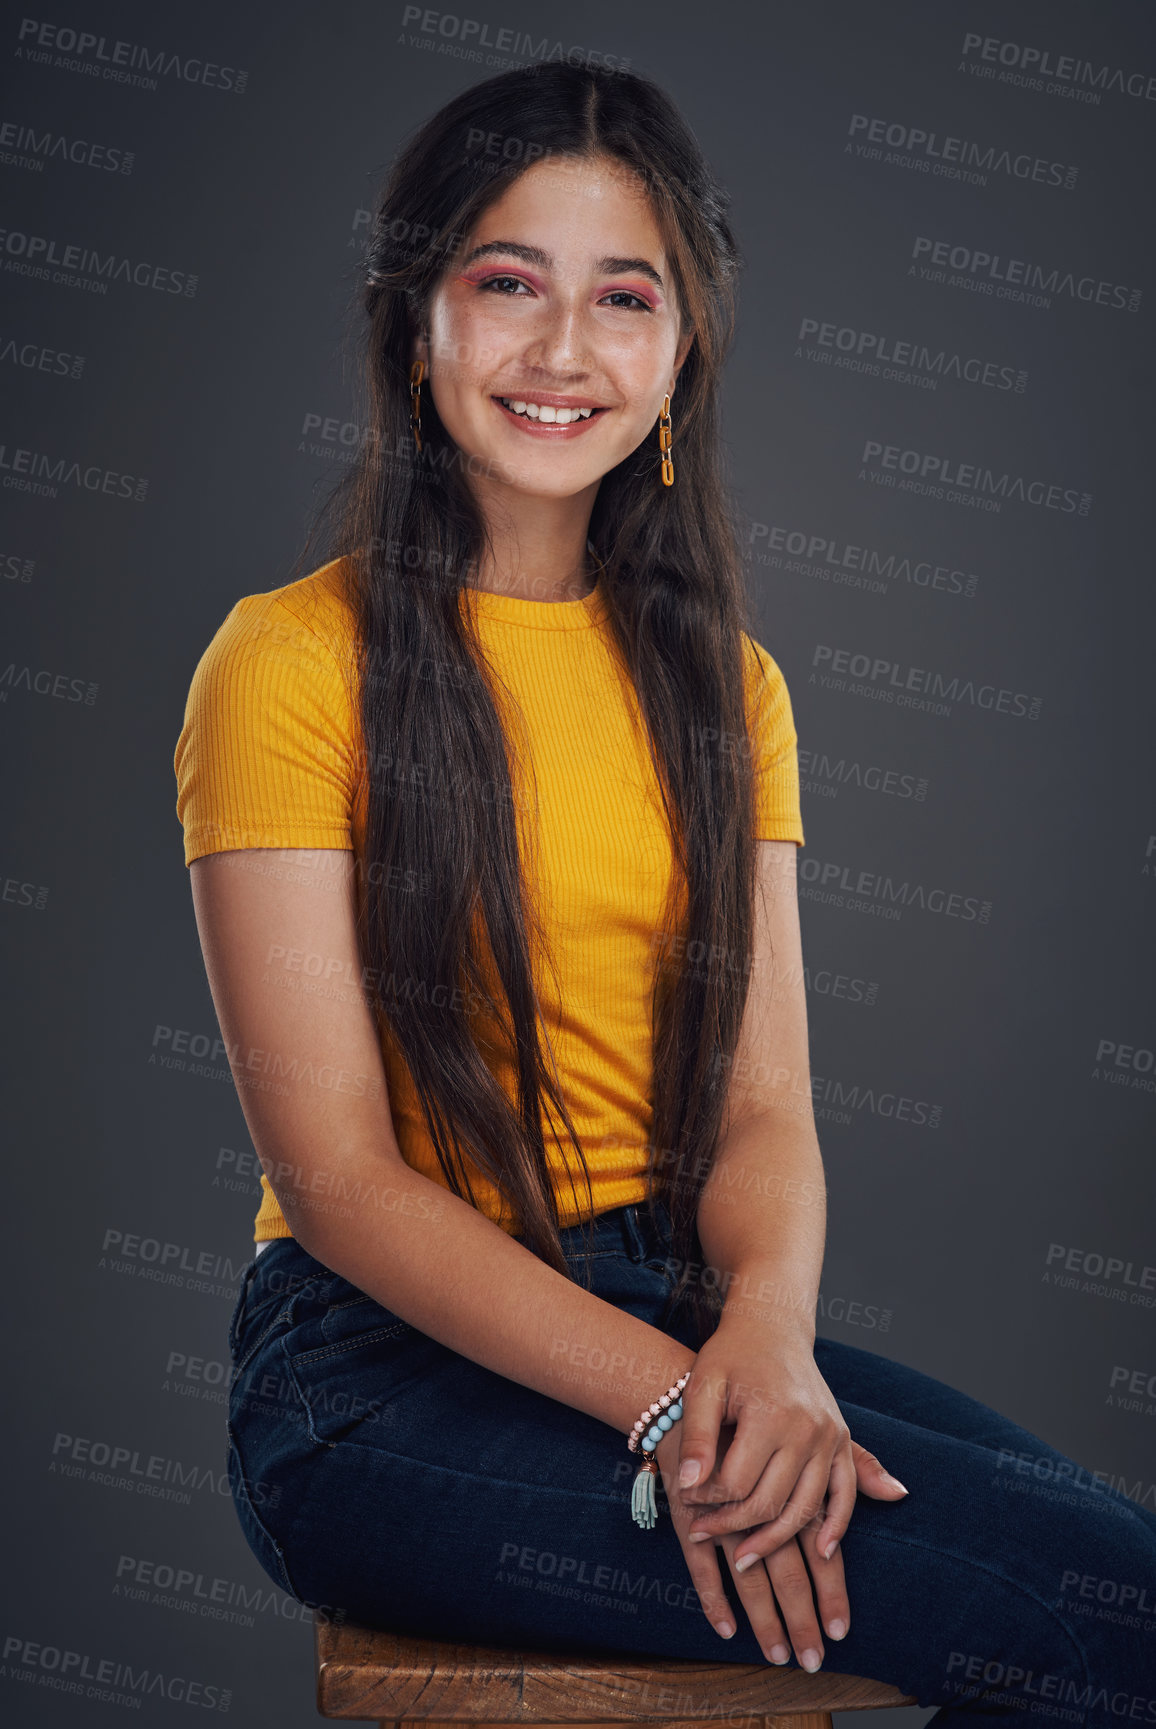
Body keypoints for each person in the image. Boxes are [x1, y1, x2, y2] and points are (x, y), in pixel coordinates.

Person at [173, 60, 1156, 1725]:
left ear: (683, 348)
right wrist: (669, 1415)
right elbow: (332, 1174)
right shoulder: (287, 661)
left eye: (624, 298)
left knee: (1112, 1592)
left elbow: (765, 1106)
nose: (565, 353)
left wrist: (763, 1347)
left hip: (684, 1319)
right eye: (507, 286)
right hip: (373, 1379)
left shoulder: (733, 688)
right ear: (414, 325)